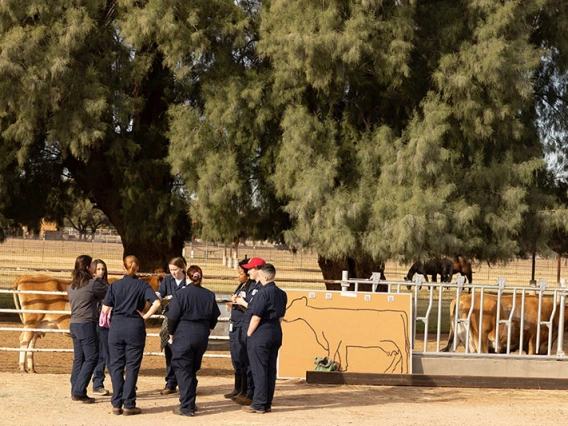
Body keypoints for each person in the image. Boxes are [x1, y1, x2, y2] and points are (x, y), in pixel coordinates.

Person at [102, 255, 161, 416]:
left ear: (123, 267)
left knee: (116, 366)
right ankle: (129, 404)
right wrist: (145, 316)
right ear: (138, 268)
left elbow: (105, 309)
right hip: (135, 327)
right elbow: (156, 302)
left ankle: (116, 403)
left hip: (116, 328)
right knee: (132, 366)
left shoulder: (114, 286)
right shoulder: (143, 285)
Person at [167, 265, 221, 417]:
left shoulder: (181, 294)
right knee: (192, 368)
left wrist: (171, 333)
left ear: (188, 277)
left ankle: (186, 407)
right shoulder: (209, 295)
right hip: (202, 334)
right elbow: (214, 316)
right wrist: (208, 329)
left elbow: (173, 317)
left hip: (184, 332)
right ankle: (190, 401)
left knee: (183, 369)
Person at [242, 263, 287, 414]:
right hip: (276, 331)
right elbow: (281, 317)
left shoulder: (262, 293)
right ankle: (267, 402)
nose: (259, 279)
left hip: (261, 333)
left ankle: (259, 403)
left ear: (266, 277)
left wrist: (249, 334)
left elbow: (256, 317)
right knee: (270, 369)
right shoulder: (281, 293)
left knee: (259, 368)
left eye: (260, 276)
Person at [68, 254, 108, 404]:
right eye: (92, 265)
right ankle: (79, 391)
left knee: (79, 358)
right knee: (91, 357)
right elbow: (109, 292)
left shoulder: (71, 286)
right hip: (86, 324)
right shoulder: (93, 284)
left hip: (74, 324)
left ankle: (75, 389)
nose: (94, 268)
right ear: (87, 267)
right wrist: (99, 279)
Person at [232, 257, 266, 406]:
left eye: (250, 269)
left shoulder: (259, 288)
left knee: (253, 364)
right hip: (247, 326)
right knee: (245, 361)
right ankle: (246, 391)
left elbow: (255, 310)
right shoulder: (254, 286)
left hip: (254, 330)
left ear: (258, 269)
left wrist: (242, 303)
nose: (249, 271)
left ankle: (253, 394)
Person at [156, 256, 187, 395]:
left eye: (175, 270)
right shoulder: (168, 280)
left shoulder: (189, 280)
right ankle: (170, 382)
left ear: (182, 268)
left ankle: (186, 383)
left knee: (184, 353)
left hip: (185, 320)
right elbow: (160, 293)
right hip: (170, 319)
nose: (173, 273)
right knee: (169, 351)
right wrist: (156, 296)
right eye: (171, 270)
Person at [224, 259, 255, 399]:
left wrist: (238, 302)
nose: (238, 276)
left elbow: (250, 306)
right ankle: (237, 388)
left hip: (242, 324)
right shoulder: (241, 286)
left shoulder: (251, 287)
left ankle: (245, 389)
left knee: (242, 357)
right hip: (234, 324)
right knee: (235, 357)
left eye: (240, 273)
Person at [91, 259, 111, 396]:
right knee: (101, 354)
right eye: (98, 269)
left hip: (106, 323)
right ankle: (97, 383)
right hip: (98, 323)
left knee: (109, 353)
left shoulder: (104, 284)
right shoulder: (95, 285)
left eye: (103, 269)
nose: (101, 272)